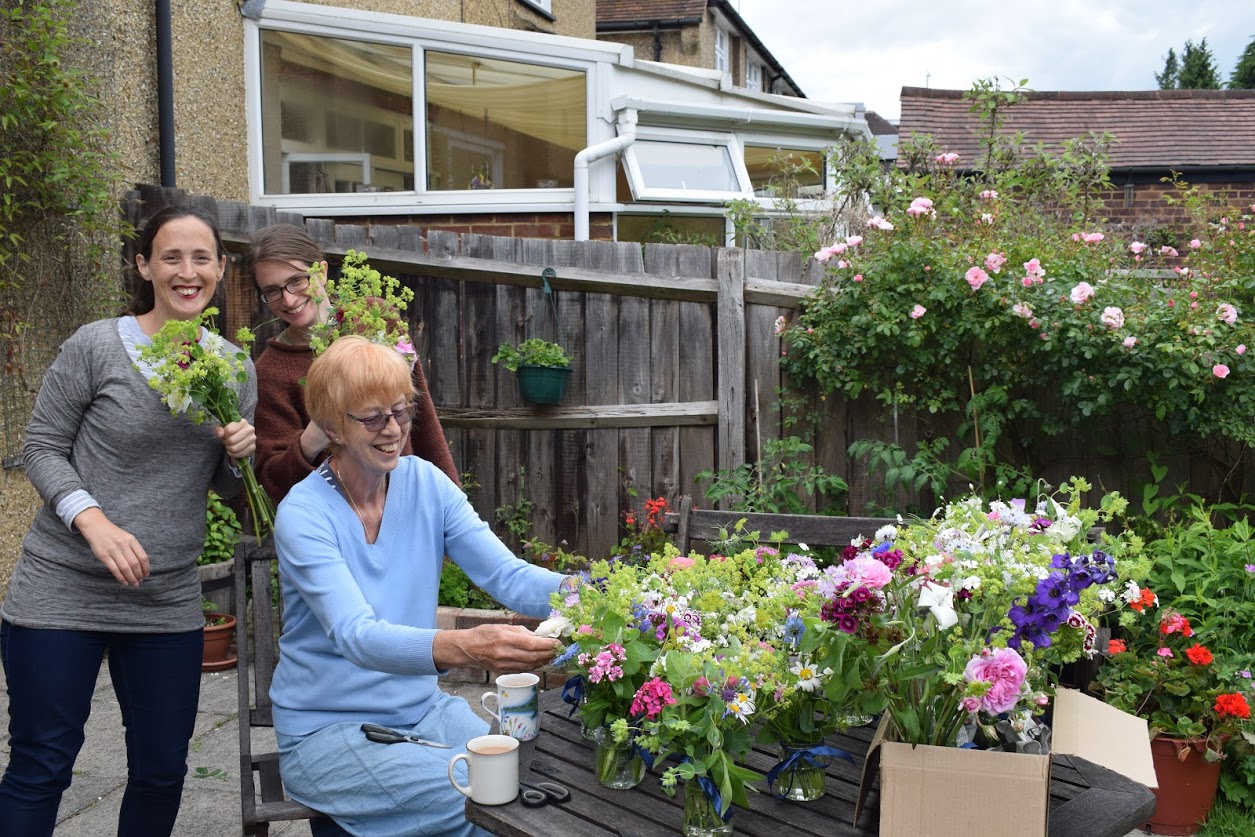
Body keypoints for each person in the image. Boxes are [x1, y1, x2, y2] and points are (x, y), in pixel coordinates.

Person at [0, 205, 258, 836]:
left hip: (165, 596)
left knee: (162, 771)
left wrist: (236, 458)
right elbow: (40, 446)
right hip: (62, 590)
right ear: (145, 267)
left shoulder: (231, 367)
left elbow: (225, 492)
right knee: (42, 765)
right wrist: (93, 520)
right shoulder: (95, 345)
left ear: (221, 270)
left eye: (201, 258)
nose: (186, 271)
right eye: (171, 257)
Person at [271, 336, 570, 837]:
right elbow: (356, 635)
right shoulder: (303, 514)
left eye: (401, 412)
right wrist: (468, 646)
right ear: (330, 426)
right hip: (328, 731)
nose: (393, 431)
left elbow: (508, 576)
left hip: (422, 710)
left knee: (531, 773)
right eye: (372, 418)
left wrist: (603, 589)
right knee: (487, 797)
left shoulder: (426, 483)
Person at [245, 224, 457, 503]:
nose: (288, 298)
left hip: (408, 501)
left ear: (321, 271)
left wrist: (452, 499)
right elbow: (274, 481)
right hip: (337, 521)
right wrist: (310, 440)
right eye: (272, 291)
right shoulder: (271, 371)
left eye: (297, 280)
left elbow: (423, 419)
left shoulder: (375, 319)